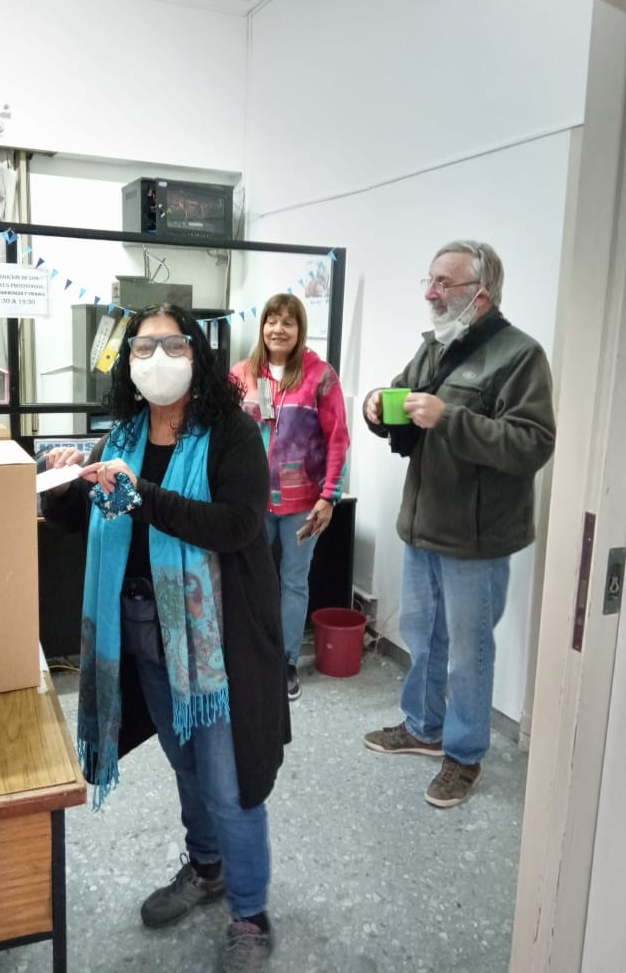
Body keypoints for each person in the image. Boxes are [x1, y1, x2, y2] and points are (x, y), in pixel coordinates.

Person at [41, 303, 289, 972]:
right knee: (186, 764)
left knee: (228, 782)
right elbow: (77, 518)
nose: (157, 359)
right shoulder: (121, 435)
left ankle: (249, 912)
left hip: (216, 642)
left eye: (173, 345)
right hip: (141, 628)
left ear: (197, 355)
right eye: (143, 347)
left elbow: (238, 525)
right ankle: (206, 869)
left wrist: (143, 494)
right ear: (126, 363)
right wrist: (62, 485)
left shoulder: (231, 433)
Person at [362, 240, 556, 808]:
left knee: (469, 652)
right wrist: (376, 405)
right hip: (423, 525)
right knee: (423, 635)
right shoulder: (434, 347)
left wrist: (451, 419)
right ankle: (423, 727)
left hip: (477, 537)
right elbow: (401, 396)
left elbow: (532, 444)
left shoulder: (520, 356)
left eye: (443, 283)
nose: (431, 292)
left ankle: (465, 754)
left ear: (481, 294)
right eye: (429, 280)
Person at [230, 293, 350, 701]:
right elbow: (221, 432)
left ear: (300, 330)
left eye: (288, 322)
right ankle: (252, 656)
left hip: (303, 504)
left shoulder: (320, 376)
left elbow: (338, 439)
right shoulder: (241, 374)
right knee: (250, 579)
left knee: (294, 583)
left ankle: (285, 663)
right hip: (251, 500)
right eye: (271, 321)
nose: (278, 329)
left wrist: (330, 496)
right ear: (262, 326)